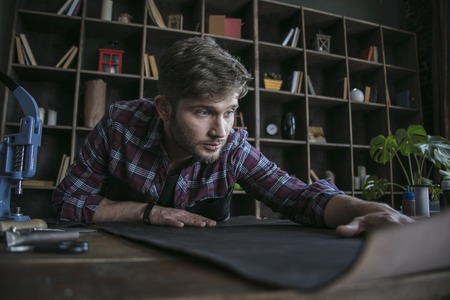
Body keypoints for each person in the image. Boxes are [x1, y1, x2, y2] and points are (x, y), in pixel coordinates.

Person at [52, 37, 413, 237]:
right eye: (203, 112)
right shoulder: (119, 125)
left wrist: (366, 209)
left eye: (229, 111)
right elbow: (68, 201)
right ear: (164, 108)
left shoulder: (234, 146)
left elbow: (298, 199)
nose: (221, 130)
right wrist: (149, 213)